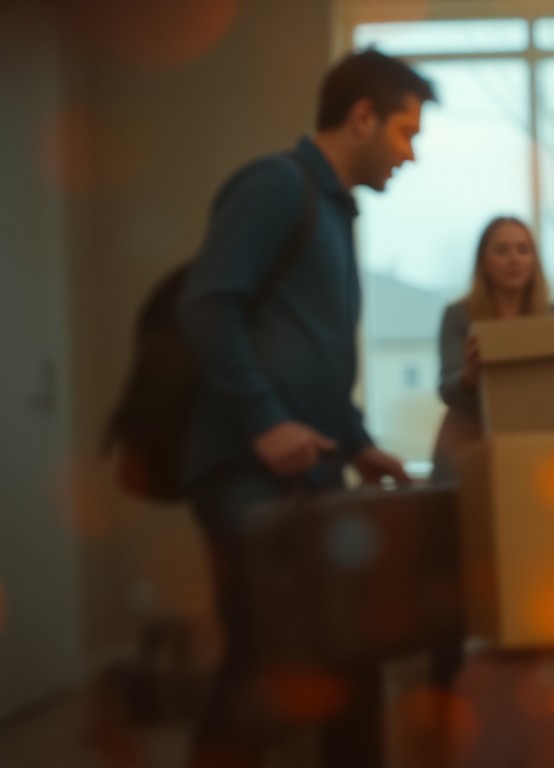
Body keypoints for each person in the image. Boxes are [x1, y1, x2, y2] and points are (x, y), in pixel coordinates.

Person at [178, 49, 433, 768]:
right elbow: (209, 306)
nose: (410, 156)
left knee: (347, 654)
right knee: (265, 662)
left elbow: (309, 355)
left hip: (303, 474)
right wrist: (264, 421)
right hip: (245, 472)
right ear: (362, 118)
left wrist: (355, 442)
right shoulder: (275, 187)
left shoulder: (334, 212)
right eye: (405, 133)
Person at [429, 215, 554, 486]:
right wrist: (469, 377)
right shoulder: (458, 316)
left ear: (534, 260)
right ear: (483, 262)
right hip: (468, 443)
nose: (514, 259)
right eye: (502, 250)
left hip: (536, 447)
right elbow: (447, 389)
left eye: (523, 250)